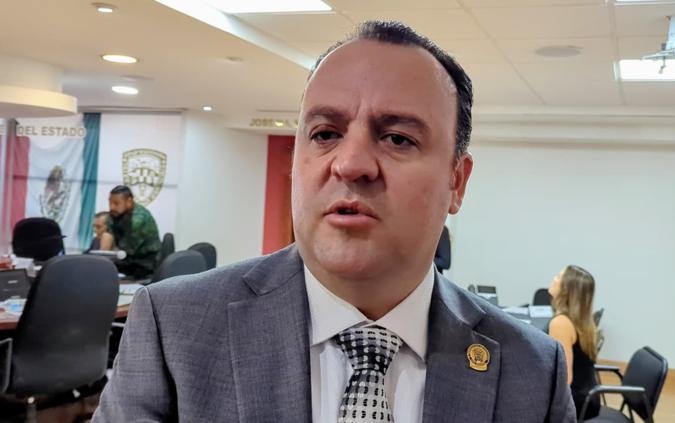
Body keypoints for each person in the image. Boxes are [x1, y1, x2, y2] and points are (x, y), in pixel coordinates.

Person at [94, 21, 575, 422]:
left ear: (457, 182)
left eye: (398, 138)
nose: (350, 164)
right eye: (325, 134)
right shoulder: (174, 328)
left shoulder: (533, 371)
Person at [548, 265, 601, 420]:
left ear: (567, 289)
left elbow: (565, 378)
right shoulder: (582, 321)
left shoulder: (561, 323)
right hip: (589, 396)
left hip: (576, 402)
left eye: (558, 277)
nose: (554, 278)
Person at [108, 185, 161, 279]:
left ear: (129, 201)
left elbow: (128, 251)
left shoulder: (138, 219)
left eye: (116, 203)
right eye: (110, 203)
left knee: (109, 269)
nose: (112, 207)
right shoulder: (117, 214)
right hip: (130, 259)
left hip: (146, 263)